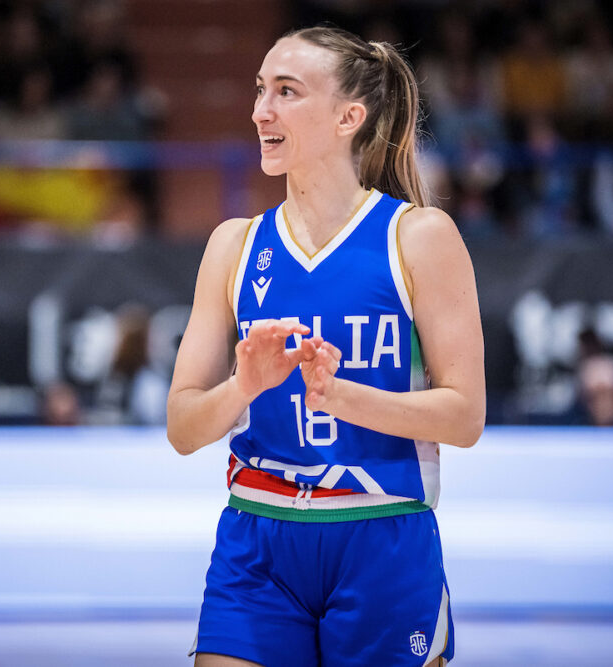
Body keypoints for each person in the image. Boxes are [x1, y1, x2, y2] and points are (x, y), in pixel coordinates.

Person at [166, 26, 485, 667]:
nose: (261, 111)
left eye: (287, 92)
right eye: (260, 90)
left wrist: (340, 396)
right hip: (257, 537)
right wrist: (244, 386)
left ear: (348, 118)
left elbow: (464, 417)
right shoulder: (233, 245)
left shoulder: (418, 236)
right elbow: (182, 427)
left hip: (381, 534)